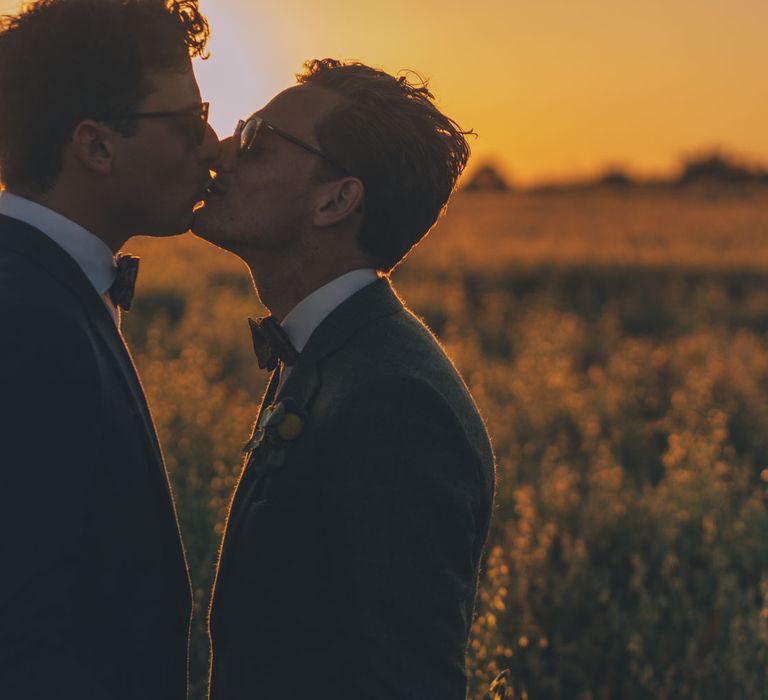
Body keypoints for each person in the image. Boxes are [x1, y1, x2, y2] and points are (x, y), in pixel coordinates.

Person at [193, 59, 496, 699]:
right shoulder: (334, 351)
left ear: (336, 200)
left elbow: (408, 680)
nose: (220, 149)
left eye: (256, 140)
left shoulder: (395, 398)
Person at [0, 1, 218, 697]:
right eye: (187, 121)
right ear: (96, 146)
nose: (212, 144)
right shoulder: (32, 324)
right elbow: (21, 639)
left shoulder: (42, 290)